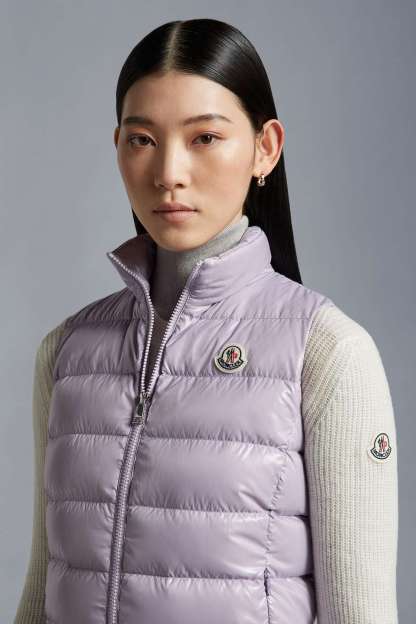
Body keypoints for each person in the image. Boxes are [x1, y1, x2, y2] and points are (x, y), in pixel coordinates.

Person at [14, 18, 398, 624]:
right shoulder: (66, 351)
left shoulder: (326, 352)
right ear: (118, 147)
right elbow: (42, 591)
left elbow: (362, 613)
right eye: (143, 139)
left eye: (205, 138)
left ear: (265, 148)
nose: (169, 171)